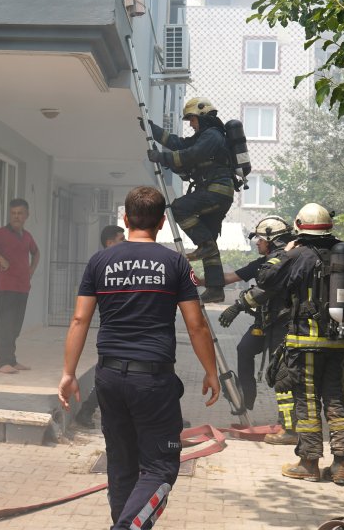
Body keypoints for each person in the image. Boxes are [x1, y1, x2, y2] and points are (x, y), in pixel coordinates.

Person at [59, 186, 220, 530]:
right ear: (162, 222)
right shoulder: (174, 262)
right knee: (161, 467)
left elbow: (79, 320)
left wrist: (69, 372)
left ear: (125, 218)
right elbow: (196, 325)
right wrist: (211, 371)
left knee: (122, 465)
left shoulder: (99, 261)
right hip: (152, 382)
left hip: (109, 378)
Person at [217, 203, 344, 484]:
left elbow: (267, 278)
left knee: (306, 402)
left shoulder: (299, 254)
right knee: (336, 401)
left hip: (305, 341)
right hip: (338, 340)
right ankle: (341, 464)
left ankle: (309, 463)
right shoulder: (342, 252)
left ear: (300, 226)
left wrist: (288, 252)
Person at [211, 216, 298, 444]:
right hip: (264, 323)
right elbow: (232, 277)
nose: (256, 243)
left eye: (259, 238)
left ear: (271, 239)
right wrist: (200, 280)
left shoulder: (285, 262)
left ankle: (287, 424)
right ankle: (246, 399)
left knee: (281, 373)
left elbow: (265, 291)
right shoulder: (265, 262)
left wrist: (237, 306)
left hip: (284, 325)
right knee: (244, 349)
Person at [146, 97, 236, 303]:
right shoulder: (203, 136)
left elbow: (191, 155)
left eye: (192, 120)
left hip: (216, 191)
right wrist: (152, 130)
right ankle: (215, 289)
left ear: (203, 117)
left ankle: (204, 244)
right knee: (210, 245)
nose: (191, 124)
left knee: (179, 208)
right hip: (216, 192)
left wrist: (163, 158)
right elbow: (179, 143)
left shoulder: (212, 135)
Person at [72, 225, 127, 428]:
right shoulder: (102, 264)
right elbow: (80, 316)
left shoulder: (118, 263)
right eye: (122, 239)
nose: (126, 242)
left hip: (125, 330)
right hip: (115, 332)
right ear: (109, 243)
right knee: (110, 380)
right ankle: (87, 410)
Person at [0, 198, 40, 374]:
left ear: (26, 215)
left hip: (23, 287)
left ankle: (12, 360)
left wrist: (31, 270)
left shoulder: (27, 236)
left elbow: (36, 253)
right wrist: (0, 259)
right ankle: (3, 362)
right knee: (6, 324)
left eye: (20, 213)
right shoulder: (1, 233)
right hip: (7, 287)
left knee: (16, 326)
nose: (16, 216)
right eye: (13, 213)